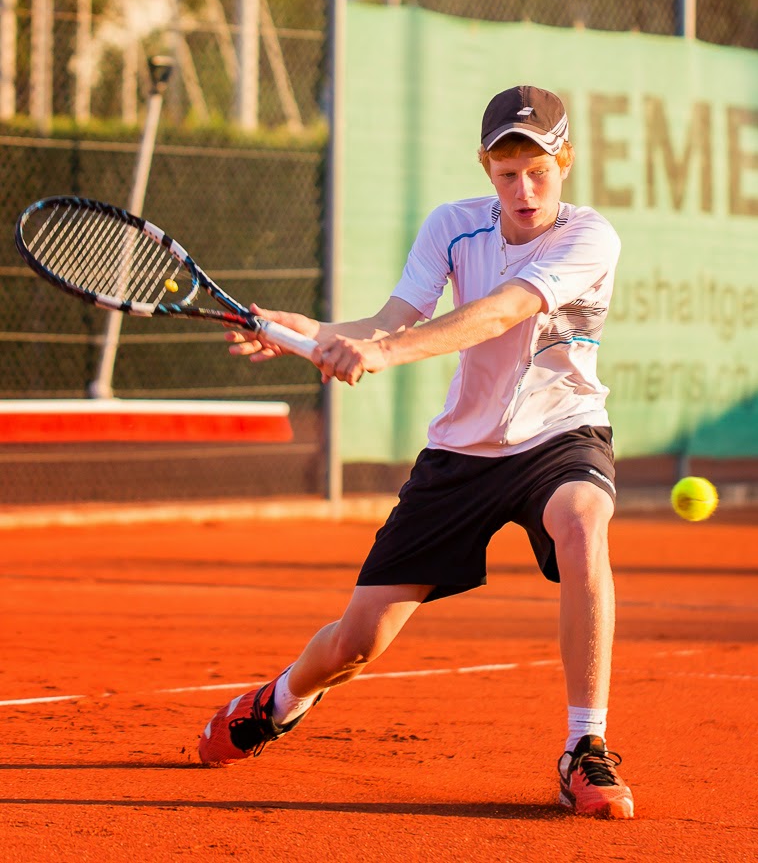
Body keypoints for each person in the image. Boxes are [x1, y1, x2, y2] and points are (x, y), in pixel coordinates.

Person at [198, 85, 634, 820]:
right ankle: (279, 700)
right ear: (485, 168)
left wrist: (382, 352)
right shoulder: (451, 227)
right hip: (461, 455)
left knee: (583, 520)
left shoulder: (590, 237)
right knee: (357, 644)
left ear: (565, 161)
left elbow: (500, 312)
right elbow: (391, 319)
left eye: (538, 171)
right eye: (507, 173)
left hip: (560, 435)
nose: (524, 191)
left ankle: (584, 747)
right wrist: (309, 331)